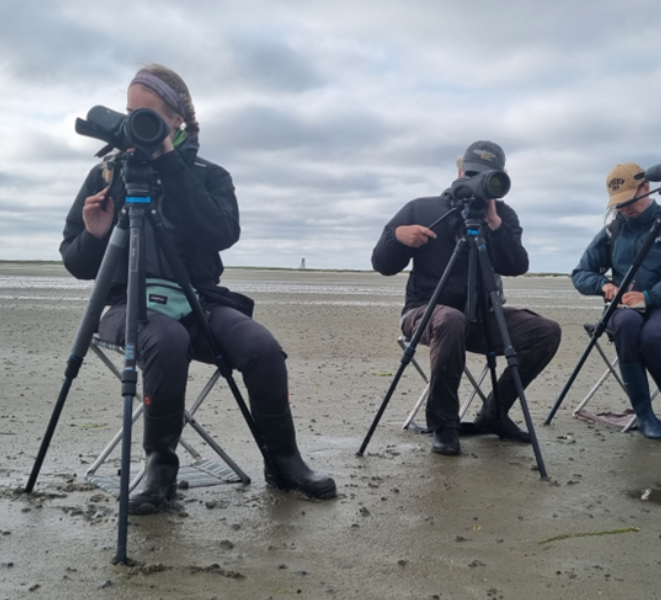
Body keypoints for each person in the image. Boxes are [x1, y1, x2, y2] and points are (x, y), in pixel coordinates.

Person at [60, 64, 336, 512]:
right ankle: (160, 469)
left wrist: (169, 163)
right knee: (165, 340)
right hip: (127, 303)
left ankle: (284, 460)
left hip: (200, 299)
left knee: (261, 346)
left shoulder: (210, 174)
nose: (135, 123)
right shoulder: (107, 176)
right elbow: (76, 264)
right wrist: (95, 235)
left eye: (147, 115)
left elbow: (222, 232)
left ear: (176, 120)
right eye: (130, 112)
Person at [371, 141, 562, 456]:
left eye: (486, 177)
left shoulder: (503, 215)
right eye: (472, 173)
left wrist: (497, 226)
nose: (477, 182)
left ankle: (494, 413)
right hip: (424, 313)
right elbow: (382, 265)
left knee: (547, 331)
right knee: (451, 319)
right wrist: (397, 237)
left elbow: (516, 266)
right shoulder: (421, 208)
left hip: (482, 317)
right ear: (460, 171)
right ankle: (444, 426)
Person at [571, 162, 661, 443]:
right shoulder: (612, 232)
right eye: (618, 203)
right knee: (626, 323)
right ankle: (645, 415)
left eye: (629, 200)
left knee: (651, 337)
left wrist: (649, 296)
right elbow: (580, 274)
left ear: (646, 188)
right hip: (624, 311)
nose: (623, 207)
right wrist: (604, 285)